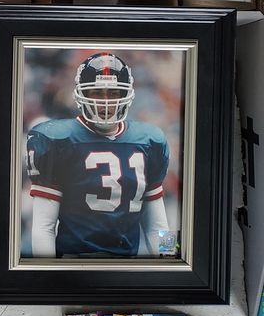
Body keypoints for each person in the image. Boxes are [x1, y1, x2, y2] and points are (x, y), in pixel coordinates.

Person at [27, 52, 171, 257]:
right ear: (81, 94)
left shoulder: (149, 140)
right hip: (74, 265)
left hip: (127, 265)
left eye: (113, 93)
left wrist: (171, 261)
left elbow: (158, 226)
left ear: (126, 95)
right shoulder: (57, 139)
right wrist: (47, 273)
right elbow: (44, 227)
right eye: (96, 92)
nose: (105, 101)